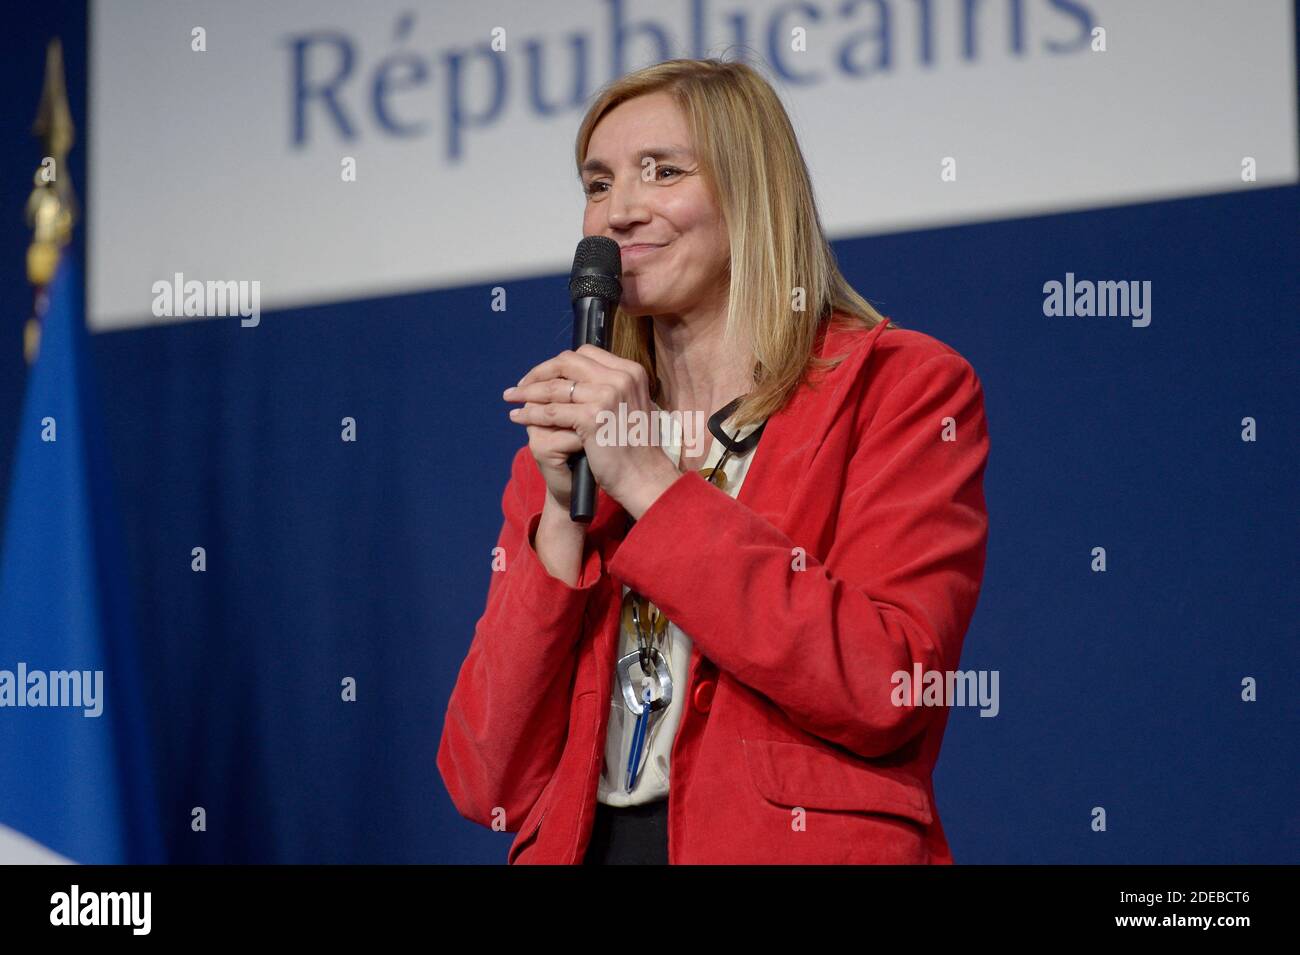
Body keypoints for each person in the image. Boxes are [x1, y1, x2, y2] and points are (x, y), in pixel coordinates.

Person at [437, 57, 990, 864]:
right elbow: (486, 781)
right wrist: (560, 522)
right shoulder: (567, 443)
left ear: (751, 192)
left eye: (662, 172)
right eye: (597, 183)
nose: (619, 211)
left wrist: (654, 487)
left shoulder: (900, 388)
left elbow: (888, 685)